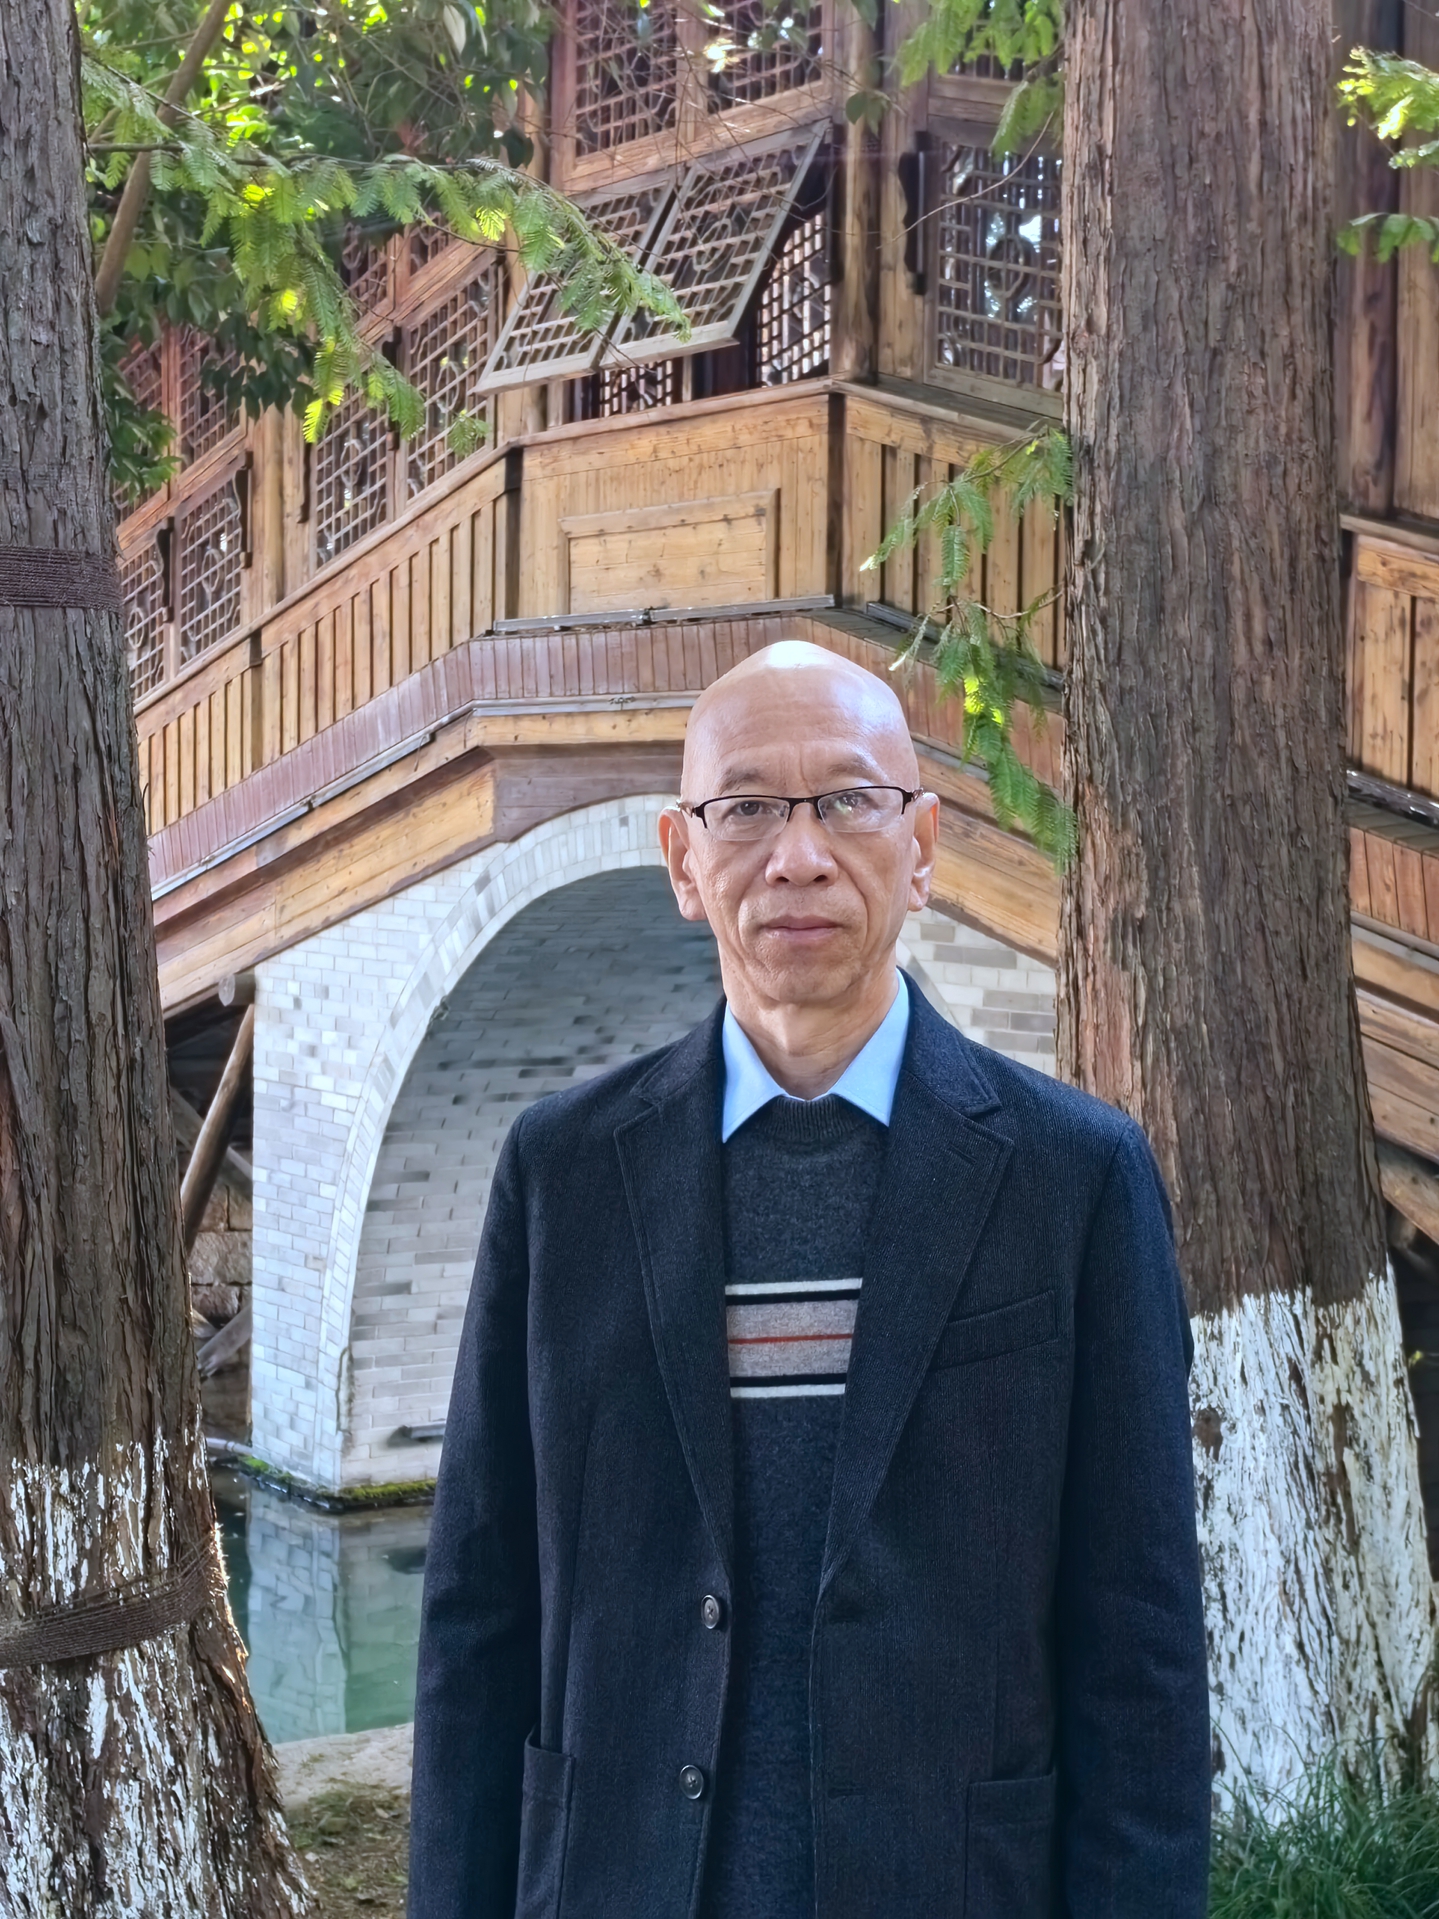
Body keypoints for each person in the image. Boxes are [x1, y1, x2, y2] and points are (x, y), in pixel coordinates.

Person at [409, 640, 1210, 1919]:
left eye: (846, 800)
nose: (797, 855)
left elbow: (1141, 1646)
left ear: (922, 844)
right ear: (682, 859)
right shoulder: (561, 1173)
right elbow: (477, 1609)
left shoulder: (1073, 1177)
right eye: (745, 809)